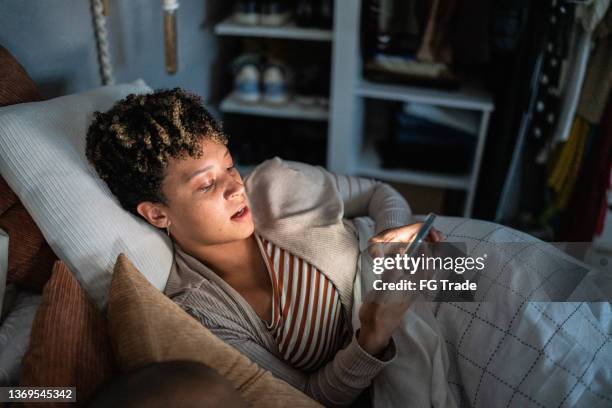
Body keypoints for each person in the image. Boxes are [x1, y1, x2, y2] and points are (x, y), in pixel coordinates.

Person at [86, 88, 441, 406]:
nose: (235, 188)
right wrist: (373, 336)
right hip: (408, 353)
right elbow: (307, 398)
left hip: (438, 271)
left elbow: (377, 192)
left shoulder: (274, 183)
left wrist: (395, 239)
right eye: (207, 185)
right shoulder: (202, 313)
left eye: (229, 165)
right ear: (157, 214)